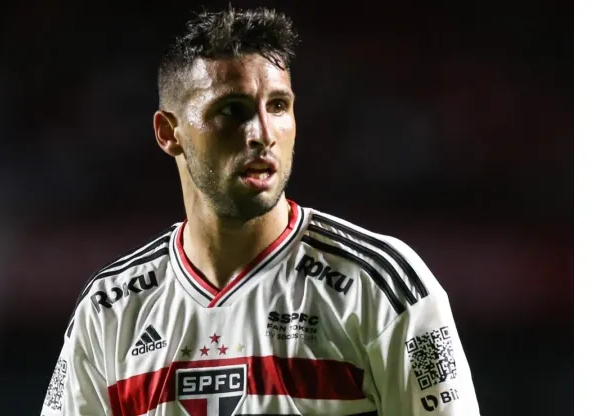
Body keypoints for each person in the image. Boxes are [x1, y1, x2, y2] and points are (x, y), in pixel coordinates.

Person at [41, 6, 480, 416]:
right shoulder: (109, 308)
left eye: (278, 106)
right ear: (169, 133)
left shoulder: (380, 285)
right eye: (233, 110)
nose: (262, 134)